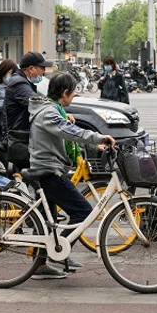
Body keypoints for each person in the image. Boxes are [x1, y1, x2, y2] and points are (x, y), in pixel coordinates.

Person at [28, 72, 115, 279]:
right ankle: (58, 252)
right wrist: (98, 137)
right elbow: (70, 131)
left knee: (47, 220)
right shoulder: (49, 113)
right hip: (49, 170)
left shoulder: (51, 110)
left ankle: (41, 265)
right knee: (83, 211)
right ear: (65, 93)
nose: (74, 97)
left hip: (48, 167)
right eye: (74, 93)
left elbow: (66, 128)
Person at [4, 51, 55, 170]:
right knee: (26, 173)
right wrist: (58, 111)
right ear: (31, 68)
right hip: (18, 136)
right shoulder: (19, 82)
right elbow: (36, 103)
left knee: (25, 175)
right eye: (42, 68)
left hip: (22, 135)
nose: (43, 72)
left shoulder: (22, 81)